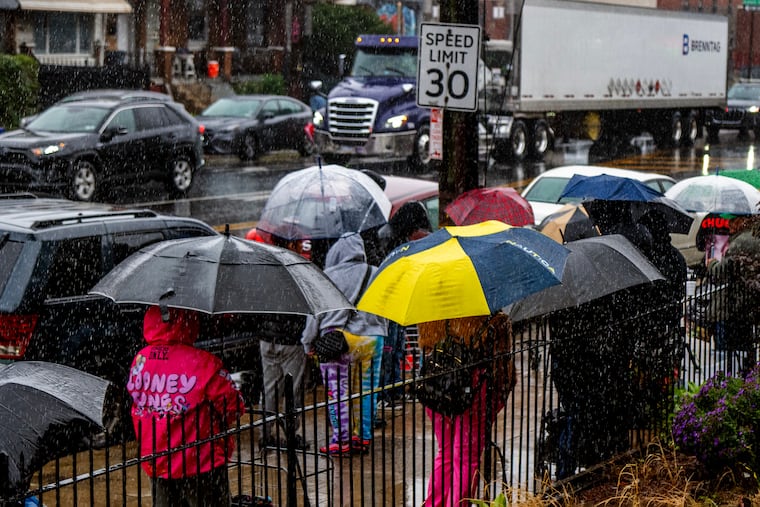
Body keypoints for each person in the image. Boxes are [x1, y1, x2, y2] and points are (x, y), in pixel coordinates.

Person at [126, 305, 244, 507]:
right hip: (200, 461)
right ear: (188, 322)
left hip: (158, 459)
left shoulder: (141, 360)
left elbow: (138, 402)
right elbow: (232, 406)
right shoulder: (203, 362)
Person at [301, 233, 388, 455]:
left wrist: (308, 342)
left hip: (337, 341)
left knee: (338, 393)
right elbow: (387, 307)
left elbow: (316, 313)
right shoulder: (376, 273)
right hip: (371, 339)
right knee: (366, 392)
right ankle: (363, 437)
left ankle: (342, 439)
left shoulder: (327, 276)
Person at [417, 312, 515, 507]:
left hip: (437, 386)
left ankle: (434, 504)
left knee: (445, 452)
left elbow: (427, 349)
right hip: (474, 389)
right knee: (465, 457)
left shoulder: (431, 313)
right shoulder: (492, 319)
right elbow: (500, 365)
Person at [377, 201, 433, 408]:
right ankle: (388, 392)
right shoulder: (391, 241)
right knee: (391, 349)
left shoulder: (393, 237)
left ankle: (395, 389)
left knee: (398, 348)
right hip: (392, 302)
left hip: (399, 300)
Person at [256, 314, 309, 450]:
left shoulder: (266, 292)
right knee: (293, 389)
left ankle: (265, 435)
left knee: (270, 389)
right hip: (291, 340)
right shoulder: (299, 294)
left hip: (267, 339)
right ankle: (290, 434)